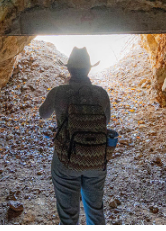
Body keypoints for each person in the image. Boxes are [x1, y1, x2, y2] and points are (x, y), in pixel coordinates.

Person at [39, 47, 112, 225]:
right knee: (95, 212)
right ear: (88, 69)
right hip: (96, 158)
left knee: (68, 216)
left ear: (69, 69)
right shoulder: (101, 93)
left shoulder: (59, 92)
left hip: (66, 159)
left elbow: (43, 114)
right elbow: (106, 121)